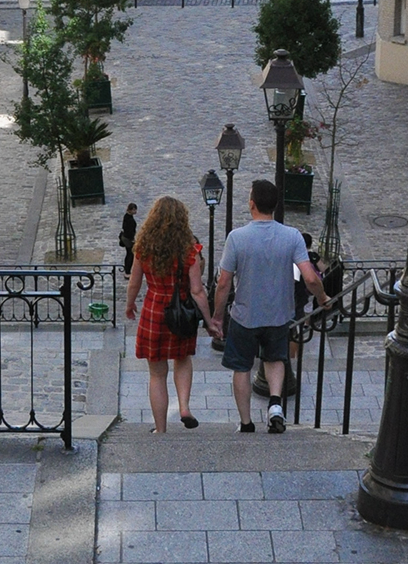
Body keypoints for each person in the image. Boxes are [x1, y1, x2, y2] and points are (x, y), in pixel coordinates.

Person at [211, 181, 330, 434]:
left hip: (245, 314)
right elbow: (310, 278)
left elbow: (223, 283)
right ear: (275, 206)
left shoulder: (237, 238)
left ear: (252, 204)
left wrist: (217, 317)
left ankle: (246, 423)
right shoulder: (292, 236)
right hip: (279, 314)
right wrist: (321, 298)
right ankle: (275, 405)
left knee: (242, 367)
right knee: (276, 358)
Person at [126, 196, 216, 434]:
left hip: (154, 310)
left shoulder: (143, 248)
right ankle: (184, 407)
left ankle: (161, 429)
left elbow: (134, 283)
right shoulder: (190, 251)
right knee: (183, 359)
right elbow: (197, 290)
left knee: (156, 374)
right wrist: (209, 322)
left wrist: (129, 304)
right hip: (182, 312)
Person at [118, 202, 138, 277]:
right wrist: (132, 239)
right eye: (134, 210)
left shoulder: (127, 216)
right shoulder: (130, 220)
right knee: (130, 254)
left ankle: (127, 270)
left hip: (125, 237)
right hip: (128, 239)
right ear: (130, 210)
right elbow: (129, 231)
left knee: (129, 254)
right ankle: (127, 271)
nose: (135, 211)